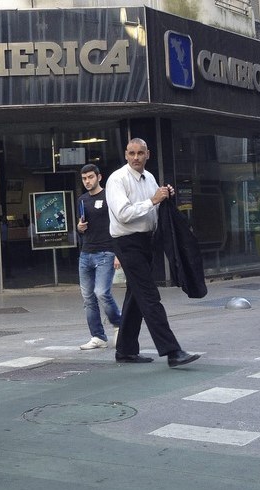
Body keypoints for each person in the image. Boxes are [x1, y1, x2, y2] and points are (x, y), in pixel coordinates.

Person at [105, 139, 199, 368]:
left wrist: (165, 197)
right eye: (131, 153)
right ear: (125, 154)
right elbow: (123, 214)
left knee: (136, 295)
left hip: (147, 240)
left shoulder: (150, 179)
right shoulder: (117, 179)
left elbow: (154, 207)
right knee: (149, 296)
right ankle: (172, 351)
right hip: (126, 242)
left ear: (148, 154)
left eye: (140, 153)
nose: (135, 157)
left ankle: (125, 350)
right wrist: (153, 200)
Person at [76, 164, 123, 350]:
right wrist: (79, 229)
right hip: (86, 253)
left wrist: (118, 254)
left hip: (106, 252)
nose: (87, 181)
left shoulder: (109, 197)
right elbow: (81, 227)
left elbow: (119, 225)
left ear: (99, 177)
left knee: (101, 292)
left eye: (90, 177)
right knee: (88, 298)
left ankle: (119, 324)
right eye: (84, 178)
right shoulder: (82, 200)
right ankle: (98, 336)